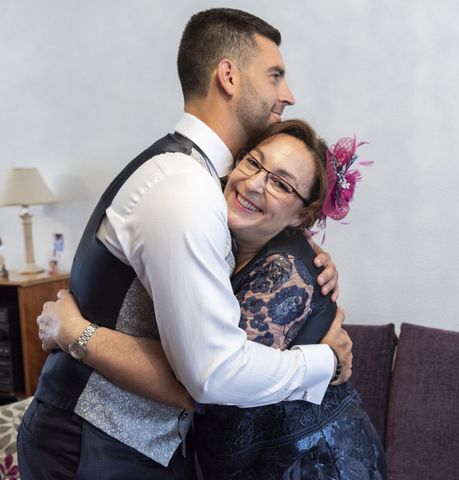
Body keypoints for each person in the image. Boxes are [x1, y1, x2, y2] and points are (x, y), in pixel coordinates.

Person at [19, 8, 352, 479]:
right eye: (275, 75)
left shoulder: (211, 183)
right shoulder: (185, 189)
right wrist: (325, 359)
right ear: (229, 76)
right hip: (93, 446)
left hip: (142, 447)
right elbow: (211, 372)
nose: (288, 94)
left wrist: (304, 254)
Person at [39, 119, 387, 478]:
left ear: (303, 215)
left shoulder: (285, 273)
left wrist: (74, 331)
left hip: (313, 464)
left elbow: (204, 381)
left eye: (280, 184)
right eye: (252, 162)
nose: (253, 185)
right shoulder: (211, 218)